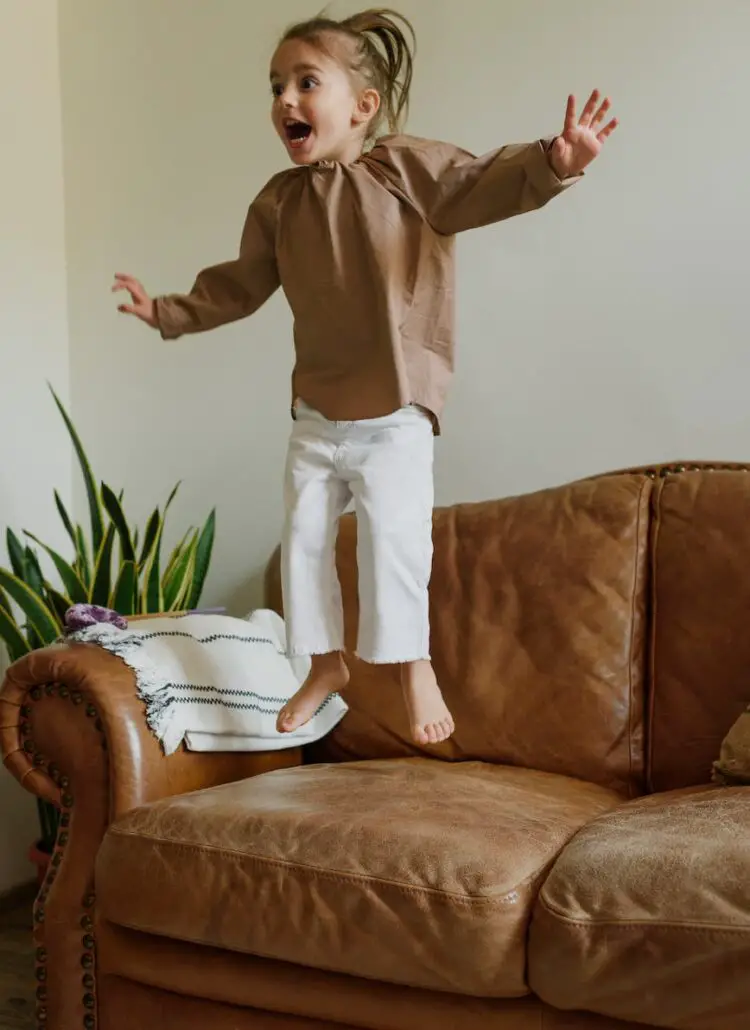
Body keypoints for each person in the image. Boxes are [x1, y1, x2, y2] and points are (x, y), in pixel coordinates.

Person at [112, 8, 617, 747]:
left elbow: (485, 182)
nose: (285, 99)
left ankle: (412, 666)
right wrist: (167, 311)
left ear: (362, 106)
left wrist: (554, 162)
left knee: (393, 544)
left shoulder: (409, 172)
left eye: (305, 82)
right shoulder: (278, 204)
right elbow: (238, 285)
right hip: (317, 415)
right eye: (277, 86)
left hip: (395, 414)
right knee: (306, 542)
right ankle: (325, 663)